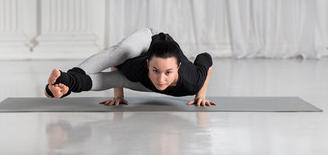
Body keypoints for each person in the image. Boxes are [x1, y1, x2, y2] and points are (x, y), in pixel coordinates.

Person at [44, 28, 216, 107]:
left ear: (178, 67)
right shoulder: (138, 67)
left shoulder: (192, 80)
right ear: (148, 65)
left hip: (149, 73)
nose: (161, 79)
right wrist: (118, 95)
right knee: (123, 53)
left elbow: (205, 58)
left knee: (116, 78)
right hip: (148, 38)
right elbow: (113, 63)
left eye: (168, 73)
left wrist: (200, 94)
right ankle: (66, 81)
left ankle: (60, 85)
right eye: (156, 71)